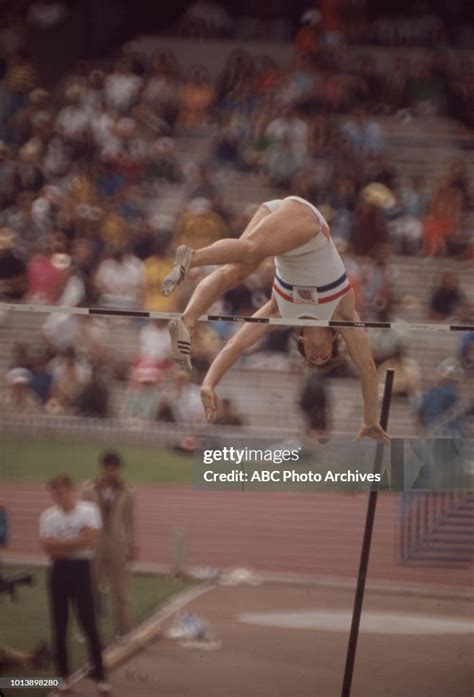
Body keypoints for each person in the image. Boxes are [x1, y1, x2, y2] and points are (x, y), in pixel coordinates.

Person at [161, 196, 389, 443]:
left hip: (278, 224)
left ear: (301, 339)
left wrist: (209, 383)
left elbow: (235, 345)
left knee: (235, 271)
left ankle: (187, 320)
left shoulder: (280, 310)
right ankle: (192, 258)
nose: (318, 356)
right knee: (249, 248)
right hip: (306, 223)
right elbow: (367, 368)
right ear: (333, 337)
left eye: (313, 358)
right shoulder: (341, 313)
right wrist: (370, 418)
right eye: (324, 355)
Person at [39, 474, 111, 695]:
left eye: (61, 492)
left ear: (72, 490)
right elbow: (47, 547)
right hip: (57, 571)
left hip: (81, 569)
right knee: (59, 625)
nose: (58, 497)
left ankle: (101, 677)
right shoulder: (48, 516)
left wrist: (61, 544)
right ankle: (63, 677)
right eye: (54, 493)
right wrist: (75, 542)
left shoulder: (88, 510)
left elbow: (91, 540)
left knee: (89, 623)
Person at [82, 452, 136, 643]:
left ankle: (123, 630)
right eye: (108, 468)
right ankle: (90, 631)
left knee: (121, 590)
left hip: (117, 544)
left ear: (119, 469)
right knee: (91, 589)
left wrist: (133, 544)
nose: (111, 472)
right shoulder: (88, 489)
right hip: (94, 545)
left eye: (115, 468)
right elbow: (83, 518)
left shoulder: (128, 491)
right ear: (102, 468)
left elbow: (130, 521)